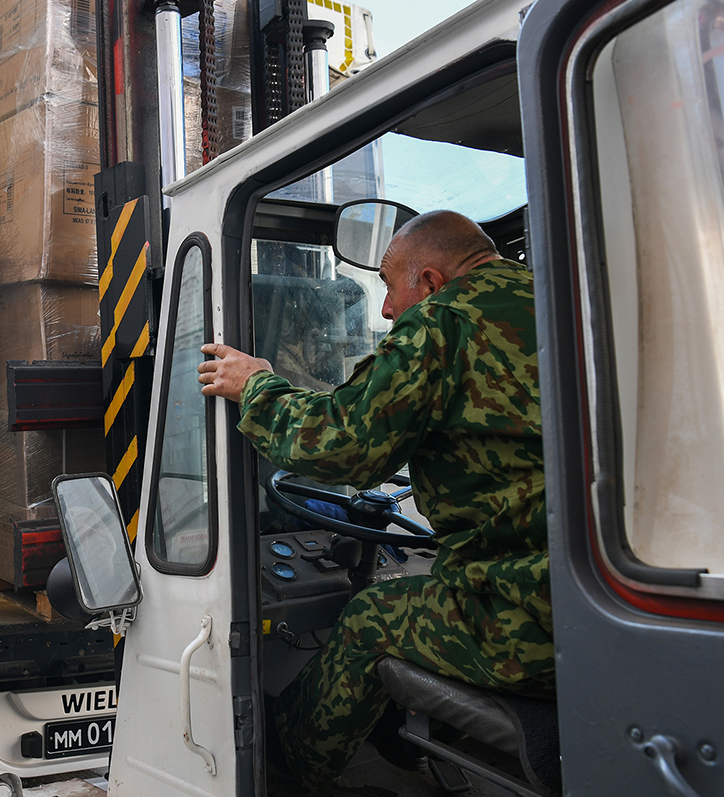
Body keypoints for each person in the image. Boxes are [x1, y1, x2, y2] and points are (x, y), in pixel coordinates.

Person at [197, 210, 552, 790]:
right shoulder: (557, 297)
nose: (385, 308)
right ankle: (406, 745)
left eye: (389, 286)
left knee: (369, 616)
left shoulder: (444, 322)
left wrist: (256, 384)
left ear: (432, 282)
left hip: (526, 620)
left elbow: (343, 444)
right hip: (582, 604)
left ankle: (289, 762)